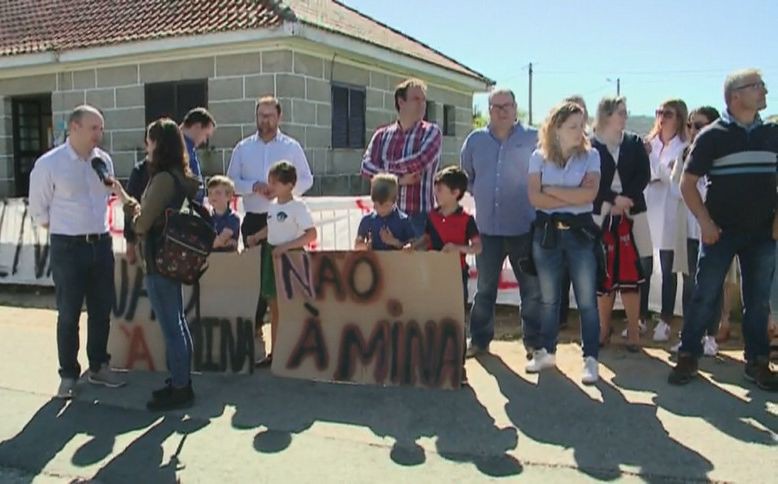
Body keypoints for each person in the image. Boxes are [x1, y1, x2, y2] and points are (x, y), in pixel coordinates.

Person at [669, 68, 778, 391]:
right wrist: (704, 222)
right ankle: (689, 354)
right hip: (719, 231)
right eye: (756, 87)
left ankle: (757, 362)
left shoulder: (772, 134)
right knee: (705, 295)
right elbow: (687, 184)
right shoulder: (712, 136)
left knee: (757, 301)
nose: (764, 91)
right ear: (734, 97)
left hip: (763, 233)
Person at [29, 104, 126, 399]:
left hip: (101, 243)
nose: (99, 134)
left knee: (101, 309)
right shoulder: (50, 164)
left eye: (101, 128)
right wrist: (64, 231)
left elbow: (108, 197)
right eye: (93, 128)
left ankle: (98, 365)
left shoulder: (103, 160)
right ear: (74, 128)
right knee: (69, 313)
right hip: (68, 246)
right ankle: (69, 374)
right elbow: (38, 210)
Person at [110, 117, 201, 410]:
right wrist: (125, 195)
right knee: (179, 324)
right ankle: (180, 380)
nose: (146, 146)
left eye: (149, 140)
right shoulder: (181, 175)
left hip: (159, 259)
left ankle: (180, 388)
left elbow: (141, 224)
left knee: (172, 327)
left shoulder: (162, 179)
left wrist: (125, 201)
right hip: (174, 258)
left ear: (157, 144)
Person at [226, 95, 313, 363]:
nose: (265, 119)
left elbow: (307, 179)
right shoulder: (243, 147)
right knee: (257, 280)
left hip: (284, 221)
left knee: (281, 284)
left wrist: (282, 194)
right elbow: (230, 181)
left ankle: (286, 340)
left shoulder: (292, 146)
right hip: (254, 219)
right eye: (261, 115)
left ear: (279, 116)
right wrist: (253, 186)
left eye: (270, 115)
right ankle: (255, 332)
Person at [460, 88, 542, 359]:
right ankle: (480, 341)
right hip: (487, 231)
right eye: (496, 107)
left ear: (515, 107)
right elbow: (468, 177)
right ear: (488, 110)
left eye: (507, 106)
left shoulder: (534, 139)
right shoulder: (475, 141)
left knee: (530, 289)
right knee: (485, 289)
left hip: (523, 228)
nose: (502, 111)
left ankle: (533, 342)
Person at [527, 101, 602, 384]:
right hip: (546, 234)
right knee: (549, 299)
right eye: (572, 126)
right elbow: (535, 198)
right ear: (556, 128)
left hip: (580, 234)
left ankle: (590, 358)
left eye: (581, 125)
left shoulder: (591, 156)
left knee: (586, 300)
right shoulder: (538, 156)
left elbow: (588, 196)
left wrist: (552, 190)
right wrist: (570, 193)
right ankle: (546, 352)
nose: (579, 131)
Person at [591, 96, 652, 351]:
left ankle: (634, 332)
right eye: (620, 113)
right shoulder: (591, 145)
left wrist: (626, 200)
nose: (625, 117)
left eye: (626, 113)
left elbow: (643, 175)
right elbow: (589, 180)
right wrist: (612, 198)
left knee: (633, 273)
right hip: (600, 214)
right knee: (603, 275)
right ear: (606, 115)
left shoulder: (634, 142)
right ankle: (604, 329)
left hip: (632, 211)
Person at [669, 106, 725, 356]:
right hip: (689, 231)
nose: (693, 130)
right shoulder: (684, 154)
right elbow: (675, 189)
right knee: (689, 285)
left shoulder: (722, 152)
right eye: (690, 125)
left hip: (713, 229)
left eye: (699, 125)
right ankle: (688, 337)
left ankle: (710, 337)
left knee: (713, 285)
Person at [253, 161, 317, 367]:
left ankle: (298, 351)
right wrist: (256, 236)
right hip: (272, 256)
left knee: (293, 306)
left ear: (289, 184)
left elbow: (311, 234)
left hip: (291, 259)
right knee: (274, 304)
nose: (270, 186)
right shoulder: (272, 206)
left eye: (275, 182)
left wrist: (287, 247)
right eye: (270, 181)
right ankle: (275, 352)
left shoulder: (298, 207)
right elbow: (272, 228)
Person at [361, 78, 442, 237]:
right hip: (384, 217)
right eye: (416, 99)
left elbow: (420, 161)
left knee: (416, 262)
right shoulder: (381, 135)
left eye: (424, 100)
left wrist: (385, 172)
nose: (422, 104)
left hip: (419, 217)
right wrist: (399, 180)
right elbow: (365, 167)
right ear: (401, 101)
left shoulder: (431, 132)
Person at [644, 99, 689, 342]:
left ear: (679, 117)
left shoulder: (684, 147)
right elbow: (648, 175)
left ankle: (666, 319)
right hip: (647, 207)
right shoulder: (649, 143)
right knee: (644, 266)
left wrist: (655, 166)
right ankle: (640, 317)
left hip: (670, 212)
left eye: (668, 113)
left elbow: (671, 181)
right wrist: (657, 169)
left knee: (669, 267)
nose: (662, 117)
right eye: (659, 111)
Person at [412, 165, 482, 306]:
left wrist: (457, 248)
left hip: (456, 273)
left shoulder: (467, 219)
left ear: (455, 192)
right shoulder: (431, 216)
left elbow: (477, 247)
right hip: (433, 270)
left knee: (455, 311)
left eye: (439, 190)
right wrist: (413, 247)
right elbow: (427, 239)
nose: (435, 194)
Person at [558, 95, 590, 328]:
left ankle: (589, 324)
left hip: (585, 222)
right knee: (559, 276)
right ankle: (558, 321)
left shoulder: (592, 151)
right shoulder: (547, 151)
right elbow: (537, 192)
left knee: (585, 276)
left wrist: (553, 191)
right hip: (555, 223)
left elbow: (589, 192)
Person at [355, 174, 415, 251]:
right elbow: (358, 245)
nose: (381, 209)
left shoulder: (403, 221)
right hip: (374, 262)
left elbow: (413, 246)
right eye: (377, 205)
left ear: (395, 200)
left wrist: (395, 242)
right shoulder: (367, 221)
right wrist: (364, 246)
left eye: (386, 205)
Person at [180, 107, 216, 202]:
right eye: (206, 135)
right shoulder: (177, 145)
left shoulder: (189, 147)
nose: (204, 141)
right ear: (197, 126)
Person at [124, 154, 150, 265]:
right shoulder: (140, 170)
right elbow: (130, 205)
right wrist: (129, 240)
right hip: (146, 237)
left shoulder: (172, 169)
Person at [207, 175, 240, 253]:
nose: (213, 196)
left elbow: (221, 240)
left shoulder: (233, 218)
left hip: (227, 259)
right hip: (211, 259)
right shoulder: (208, 218)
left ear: (229, 196)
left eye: (217, 193)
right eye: (210, 193)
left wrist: (208, 244)